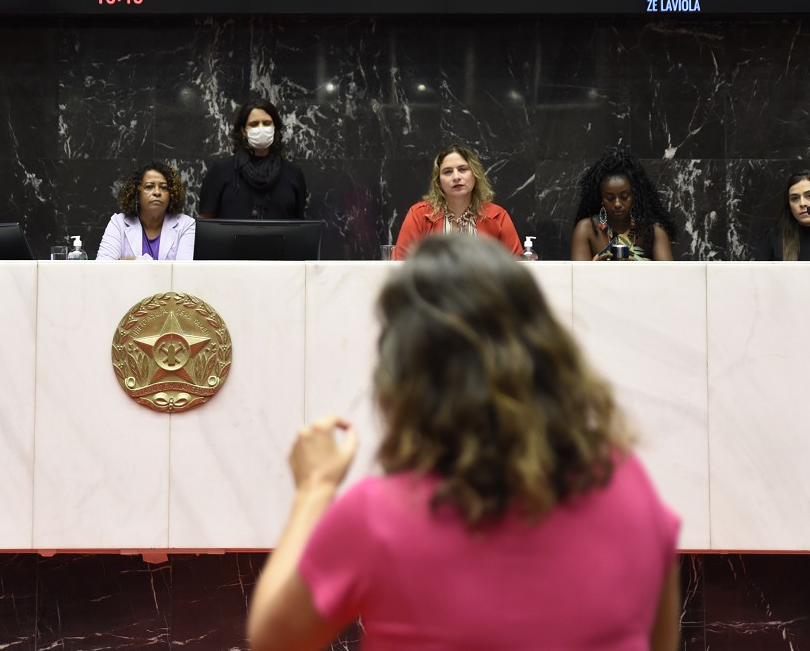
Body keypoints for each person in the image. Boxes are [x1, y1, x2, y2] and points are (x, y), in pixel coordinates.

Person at [247, 236, 681, 651]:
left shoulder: (378, 517)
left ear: (405, 377)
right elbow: (658, 642)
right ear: (549, 354)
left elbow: (273, 636)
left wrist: (315, 488)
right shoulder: (629, 485)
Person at [391, 144, 520, 260]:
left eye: (463, 169)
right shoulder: (419, 215)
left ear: (475, 174)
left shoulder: (498, 217)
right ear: (438, 181)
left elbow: (517, 269)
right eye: (447, 172)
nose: (456, 177)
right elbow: (401, 266)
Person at [199, 97, 309, 220]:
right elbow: (205, 221)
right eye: (254, 124)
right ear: (243, 131)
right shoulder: (221, 170)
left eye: (267, 123)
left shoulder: (293, 173)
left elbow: (298, 223)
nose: (261, 128)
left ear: (275, 128)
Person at [570, 147, 676, 261]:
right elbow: (577, 272)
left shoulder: (654, 231)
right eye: (610, 198)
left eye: (624, 197)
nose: (617, 204)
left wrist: (639, 265)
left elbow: (667, 272)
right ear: (601, 198)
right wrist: (599, 266)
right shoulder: (586, 229)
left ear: (635, 196)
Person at [97, 162, 196, 261]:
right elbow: (103, 266)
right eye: (149, 187)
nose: (157, 192)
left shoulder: (186, 225)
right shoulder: (119, 223)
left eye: (164, 187)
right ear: (137, 193)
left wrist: (130, 261)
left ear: (171, 194)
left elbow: (184, 269)